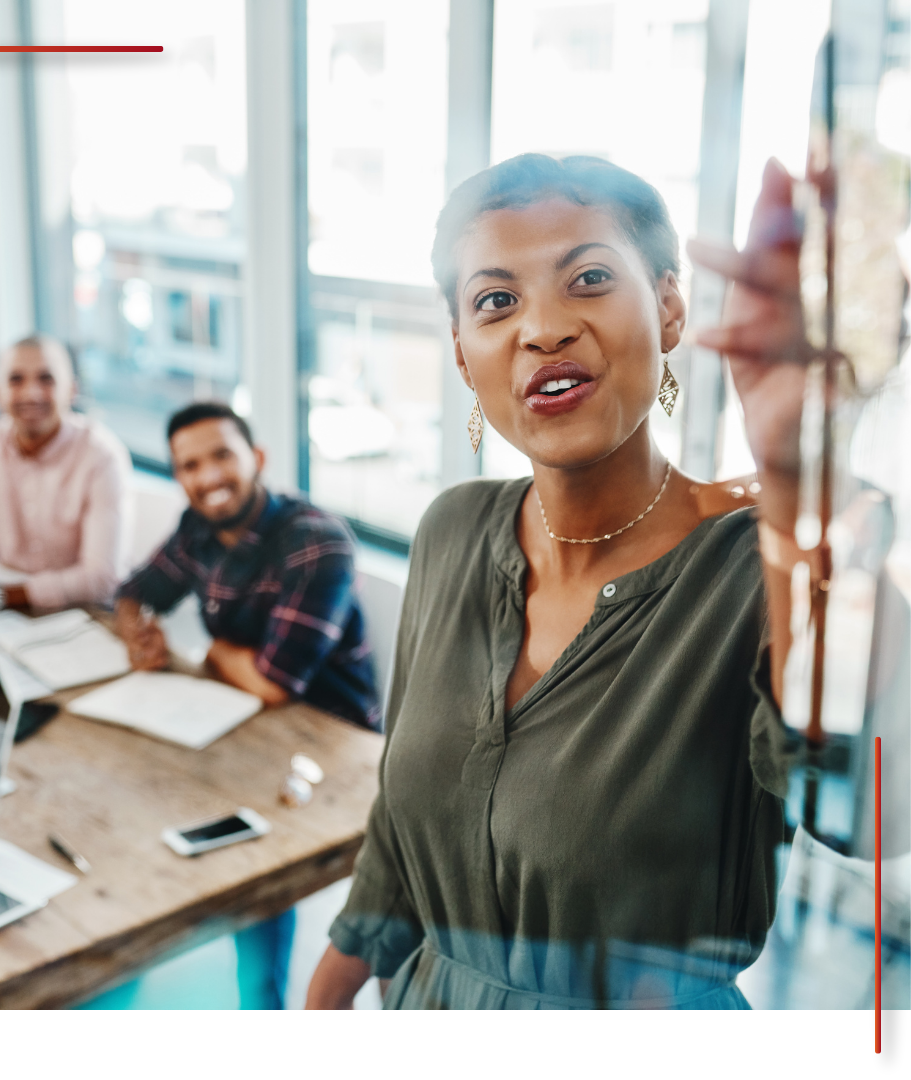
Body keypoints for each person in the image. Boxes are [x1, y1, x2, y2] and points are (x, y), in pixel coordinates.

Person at [305, 153, 844, 1010]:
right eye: (495, 300)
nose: (543, 328)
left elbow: (868, 805)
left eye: (588, 279)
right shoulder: (452, 530)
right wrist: (329, 990)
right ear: (460, 349)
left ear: (670, 306)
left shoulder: (757, 564)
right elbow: (401, 833)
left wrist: (800, 482)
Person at [114, 401, 379, 1009]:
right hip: (237, 721)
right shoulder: (197, 527)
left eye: (221, 456)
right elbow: (131, 592)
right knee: (131, 793)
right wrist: (141, 630)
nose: (208, 477)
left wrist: (217, 651)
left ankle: (260, 993)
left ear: (255, 458)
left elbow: (275, 684)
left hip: (331, 747)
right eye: (190, 465)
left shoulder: (315, 542)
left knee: (251, 861)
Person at [0, 334, 132, 613]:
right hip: (12, 609)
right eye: (16, 380)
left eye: (47, 379)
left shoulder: (103, 455)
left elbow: (102, 579)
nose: (32, 394)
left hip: (89, 613)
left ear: (72, 391)